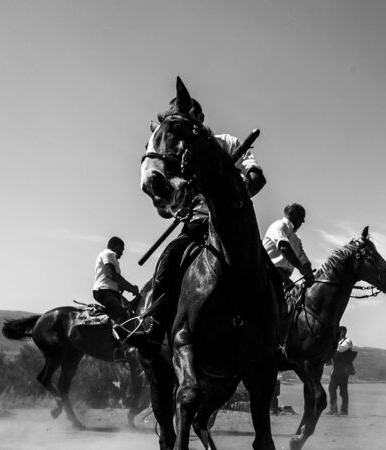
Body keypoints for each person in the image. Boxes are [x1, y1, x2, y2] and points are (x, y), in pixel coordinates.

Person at [126, 96, 266, 353]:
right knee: (168, 259)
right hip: (196, 224)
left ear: (198, 119)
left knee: (268, 273)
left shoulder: (228, 142)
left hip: (232, 226)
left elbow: (256, 179)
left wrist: (234, 193)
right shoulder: (178, 156)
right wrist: (177, 201)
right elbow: (171, 208)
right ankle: (155, 329)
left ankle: (276, 338)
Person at [264, 203, 315, 289]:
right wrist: (300, 268)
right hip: (266, 273)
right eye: (301, 217)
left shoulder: (297, 240)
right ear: (291, 213)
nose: (303, 221)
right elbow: (284, 247)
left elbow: (304, 260)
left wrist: (309, 273)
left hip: (283, 280)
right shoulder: (279, 225)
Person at [92, 237, 139, 325]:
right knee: (122, 315)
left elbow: (117, 281)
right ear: (115, 246)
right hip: (104, 291)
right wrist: (131, 288)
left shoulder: (113, 259)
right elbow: (111, 274)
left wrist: (130, 288)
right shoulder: (108, 254)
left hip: (111, 292)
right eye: (121, 248)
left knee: (130, 312)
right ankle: (120, 338)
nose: (122, 252)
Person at [327, 326, 355, 416]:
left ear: (343, 332)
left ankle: (344, 411)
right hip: (335, 369)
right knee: (331, 389)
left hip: (344, 370)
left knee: (343, 391)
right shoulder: (337, 342)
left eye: (339, 332)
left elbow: (341, 349)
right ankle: (333, 409)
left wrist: (331, 345)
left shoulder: (348, 341)